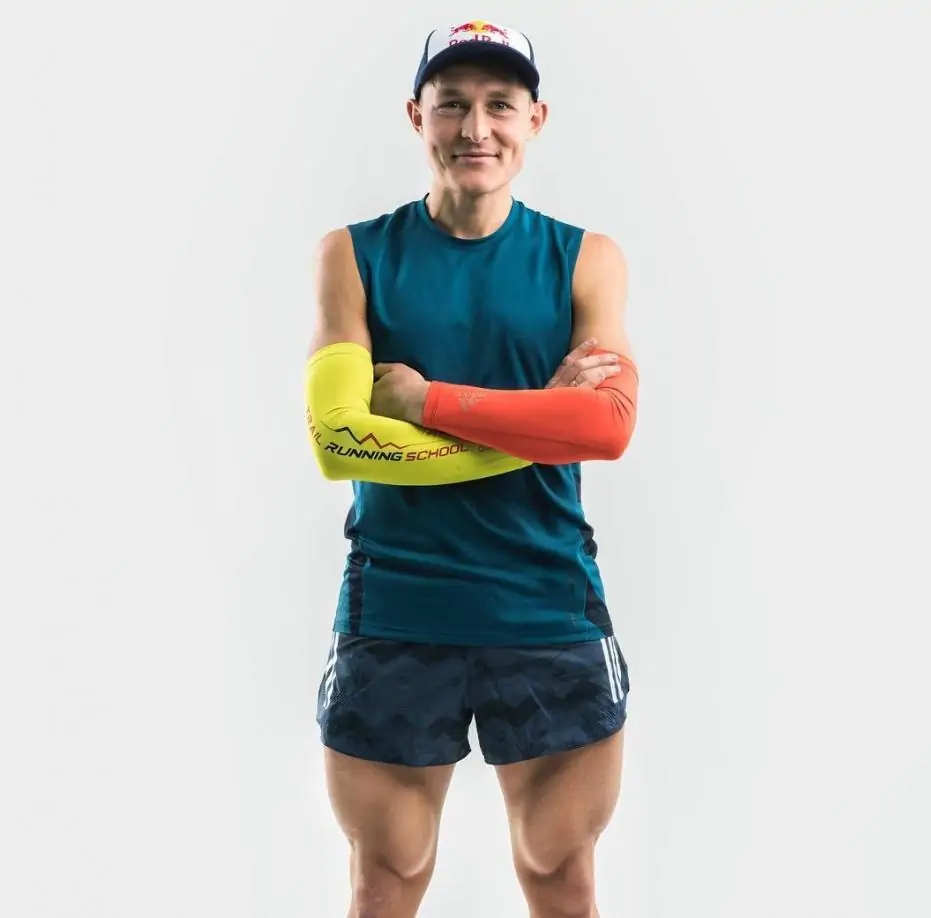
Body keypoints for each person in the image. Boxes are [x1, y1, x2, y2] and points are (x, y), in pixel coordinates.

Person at [303, 19, 640, 918]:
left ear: (536, 119)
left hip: (546, 605)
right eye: (452, 105)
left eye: (500, 105)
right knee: (386, 881)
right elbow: (338, 440)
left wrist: (426, 402)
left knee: (562, 877)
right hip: (396, 610)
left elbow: (605, 426)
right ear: (418, 116)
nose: (476, 128)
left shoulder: (585, 260)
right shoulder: (354, 256)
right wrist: (539, 421)